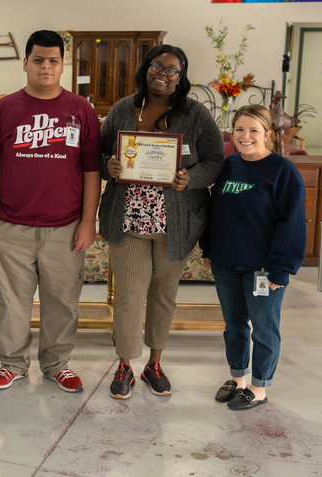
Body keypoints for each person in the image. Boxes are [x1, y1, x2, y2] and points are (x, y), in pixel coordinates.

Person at [100, 44, 224, 399]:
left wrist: (192, 178)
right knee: (128, 297)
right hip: (128, 221)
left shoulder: (196, 114)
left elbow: (215, 160)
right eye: (157, 66)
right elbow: (100, 152)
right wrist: (108, 164)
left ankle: (154, 364)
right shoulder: (125, 108)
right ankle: (125, 363)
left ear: (181, 77)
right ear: (146, 68)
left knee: (164, 296)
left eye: (172, 70)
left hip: (176, 224)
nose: (163, 74)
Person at [0, 30, 101, 393]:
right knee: (12, 302)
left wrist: (87, 222)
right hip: (11, 227)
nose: (45, 66)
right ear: (26, 63)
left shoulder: (81, 110)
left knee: (62, 302)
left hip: (64, 227)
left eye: (53, 60)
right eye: (38, 60)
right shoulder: (4, 109)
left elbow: (91, 171)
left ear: (63, 64)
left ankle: (56, 364)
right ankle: (12, 364)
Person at [203, 104, 305, 410]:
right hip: (225, 263)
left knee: (263, 328)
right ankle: (238, 379)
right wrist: (209, 249)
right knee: (234, 325)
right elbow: (215, 211)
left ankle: (259, 387)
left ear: (268, 134)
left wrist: (281, 269)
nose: (245, 136)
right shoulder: (229, 165)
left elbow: (293, 222)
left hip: (263, 269)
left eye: (253, 130)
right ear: (232, 133)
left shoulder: (283, 171)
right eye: (239, 130)